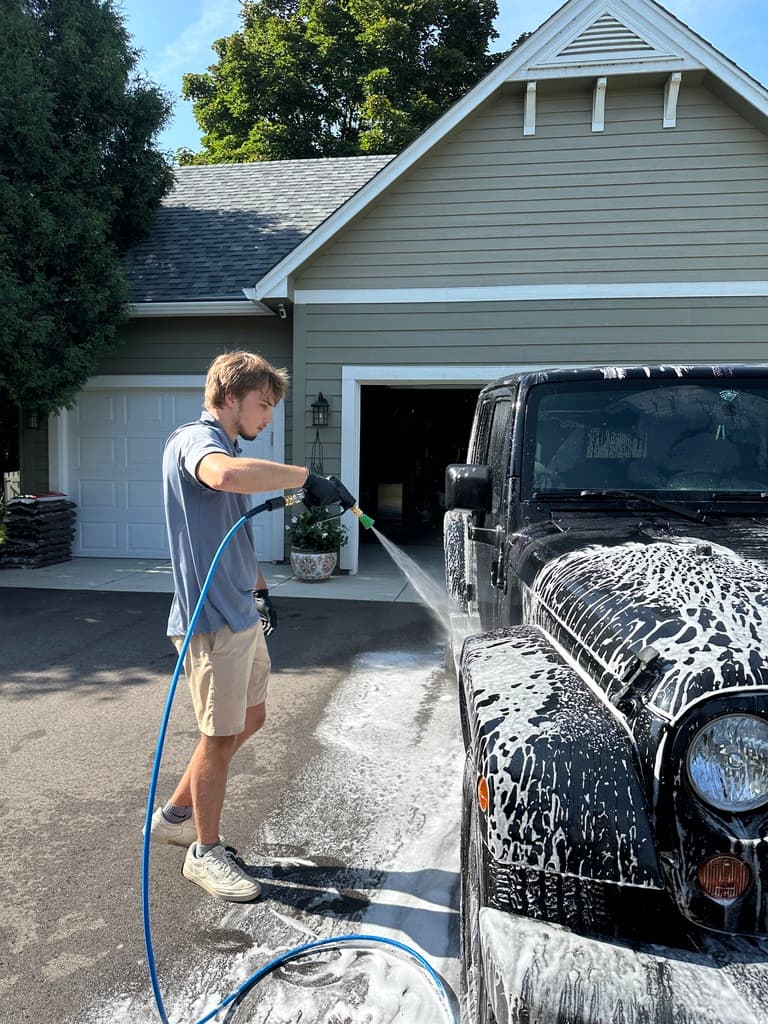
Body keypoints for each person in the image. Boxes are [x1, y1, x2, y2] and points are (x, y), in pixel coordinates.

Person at [148, 350, 351, 902]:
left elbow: (234, 533)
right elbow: (226, 476)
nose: (267, 418)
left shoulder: (232, 446)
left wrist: (260, 590)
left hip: (240, 610)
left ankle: (174, 814)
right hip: (211, 621)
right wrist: (307, 478)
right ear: (230, 397)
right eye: (262, 405)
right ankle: (204, 852)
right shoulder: (196, 442)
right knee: (218, 739)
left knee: (251, 717)